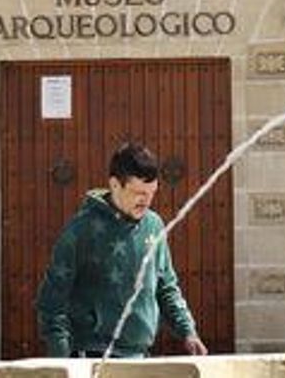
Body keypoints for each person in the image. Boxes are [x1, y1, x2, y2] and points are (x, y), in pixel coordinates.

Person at [36, 142, 209, 358]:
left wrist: (188, 331)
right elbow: (51, 301)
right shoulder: (81, 230)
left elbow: (166, 287)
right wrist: (62, 359)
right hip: (92, 356)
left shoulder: (154, 225)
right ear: (115, 185)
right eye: (138, 192)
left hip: (139, 356)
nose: (146, 201)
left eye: (152, 192)